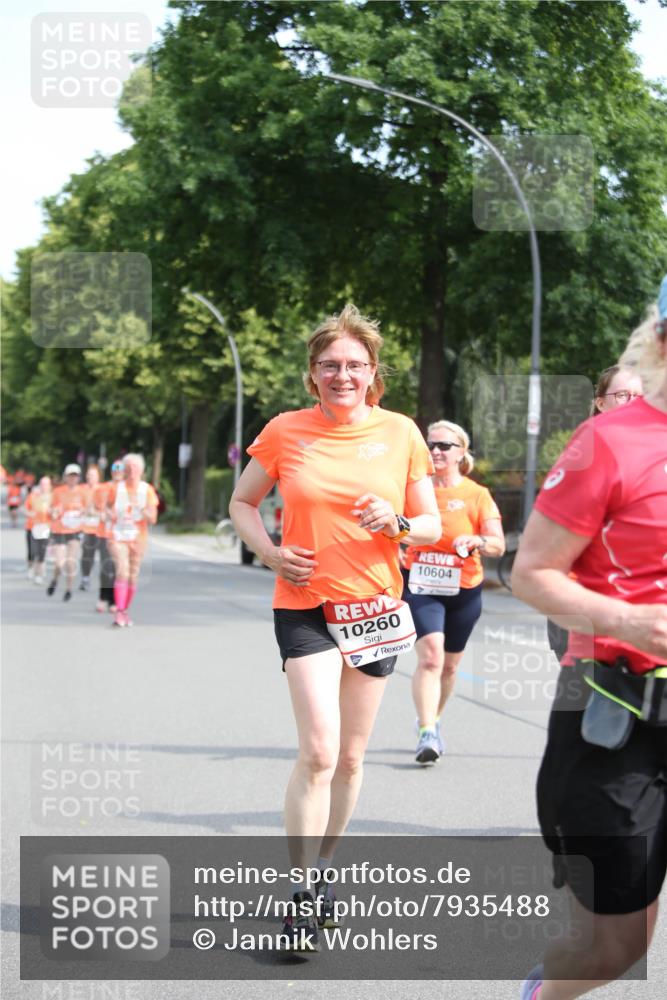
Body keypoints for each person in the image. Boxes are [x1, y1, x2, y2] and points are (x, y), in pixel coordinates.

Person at [229, 303, 440, 951]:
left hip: (375, 609)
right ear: (311, 374)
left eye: (353, 365)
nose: (341, 375)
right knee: (318, 750)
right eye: (329, 365)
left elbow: (428, 524)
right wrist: (269, 552)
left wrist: (397, 523)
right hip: (304, 605)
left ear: (372, 372)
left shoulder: (401, 432)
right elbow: (242, 502)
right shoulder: (284, 431)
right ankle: (297, 895)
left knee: (350, 758)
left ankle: (321, 874)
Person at [512, 288, 667, 1000]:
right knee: (613, 947)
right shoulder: (610, 440)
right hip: (613, 712)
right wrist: (629, 622)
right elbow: (531, 573)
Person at [402, 420, 505, 764]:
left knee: (448, 667)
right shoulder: (414, 491)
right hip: (420, 585)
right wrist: (396, 544)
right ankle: (427, 731)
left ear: (462, 452)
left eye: (444, 446)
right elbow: (393, 529)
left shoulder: (477, 495)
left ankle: (432, 718)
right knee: (431, 655)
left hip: (464, 588)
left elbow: (498, 544)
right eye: (431, 445)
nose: (435, 451)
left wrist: (477, 540)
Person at [106, 454, 158, 627]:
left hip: (138, 538)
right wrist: (108, 514)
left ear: (142, 470)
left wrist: (141, 509)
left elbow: (153, 519)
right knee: (122, 571)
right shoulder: (116, 488)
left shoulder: (147, 490)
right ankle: (119, 612)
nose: (131, 470)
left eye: (135, 467)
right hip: (118, 536)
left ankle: (124, 610)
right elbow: (106, 509)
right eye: (128, 467)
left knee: (133, 577)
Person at [47, 464, 87, 601]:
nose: (72, 478)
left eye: (75, 476)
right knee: (59, 562)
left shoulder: (83, 492)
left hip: (75, 530)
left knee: (70, 562)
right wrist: (54, 512)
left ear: (78, 477)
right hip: (60, 530)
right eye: (70, 475)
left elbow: (90, 509)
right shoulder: (58, 491)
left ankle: (68, 589)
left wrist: (83, 511)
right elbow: (51, 509)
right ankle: (55, 579)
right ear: (66, 477)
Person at [95, 461, 123, 613]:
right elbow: (96, 507)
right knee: (106, 566)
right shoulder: (103, 488)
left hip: (122, 534)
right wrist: (102, 512)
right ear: (111, 471)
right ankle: (103, 597)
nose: (117, 472)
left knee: (118, 568)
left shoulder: (127, 489)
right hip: (105, 532)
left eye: (120, 470)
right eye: (115, 469)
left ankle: (114, 600)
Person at [79, 465, 102, 592]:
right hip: (86, 527)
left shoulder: (103, 489)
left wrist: (97, 512)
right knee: (87, 554)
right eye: (88, 474)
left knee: (104, 555)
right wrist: (84, 510)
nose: (90, 477)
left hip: (100, 527)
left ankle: (108, 579)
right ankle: (85, 577)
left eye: (93, 475)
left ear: (98, 477)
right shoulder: (81, 489)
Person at [27, 477, 52, 585]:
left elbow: (57, 511)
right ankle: (31, 568)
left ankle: (39, 574)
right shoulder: (33, 496)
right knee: (32, 552)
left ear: (49, 486)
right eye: (42, 484)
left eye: (46, 484)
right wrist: (29, 513)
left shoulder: (53, 497)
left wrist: (53, 512)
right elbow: (25, 508)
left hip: (46, 527)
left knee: (41, 552)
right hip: (32, 527)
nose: (44, 486)